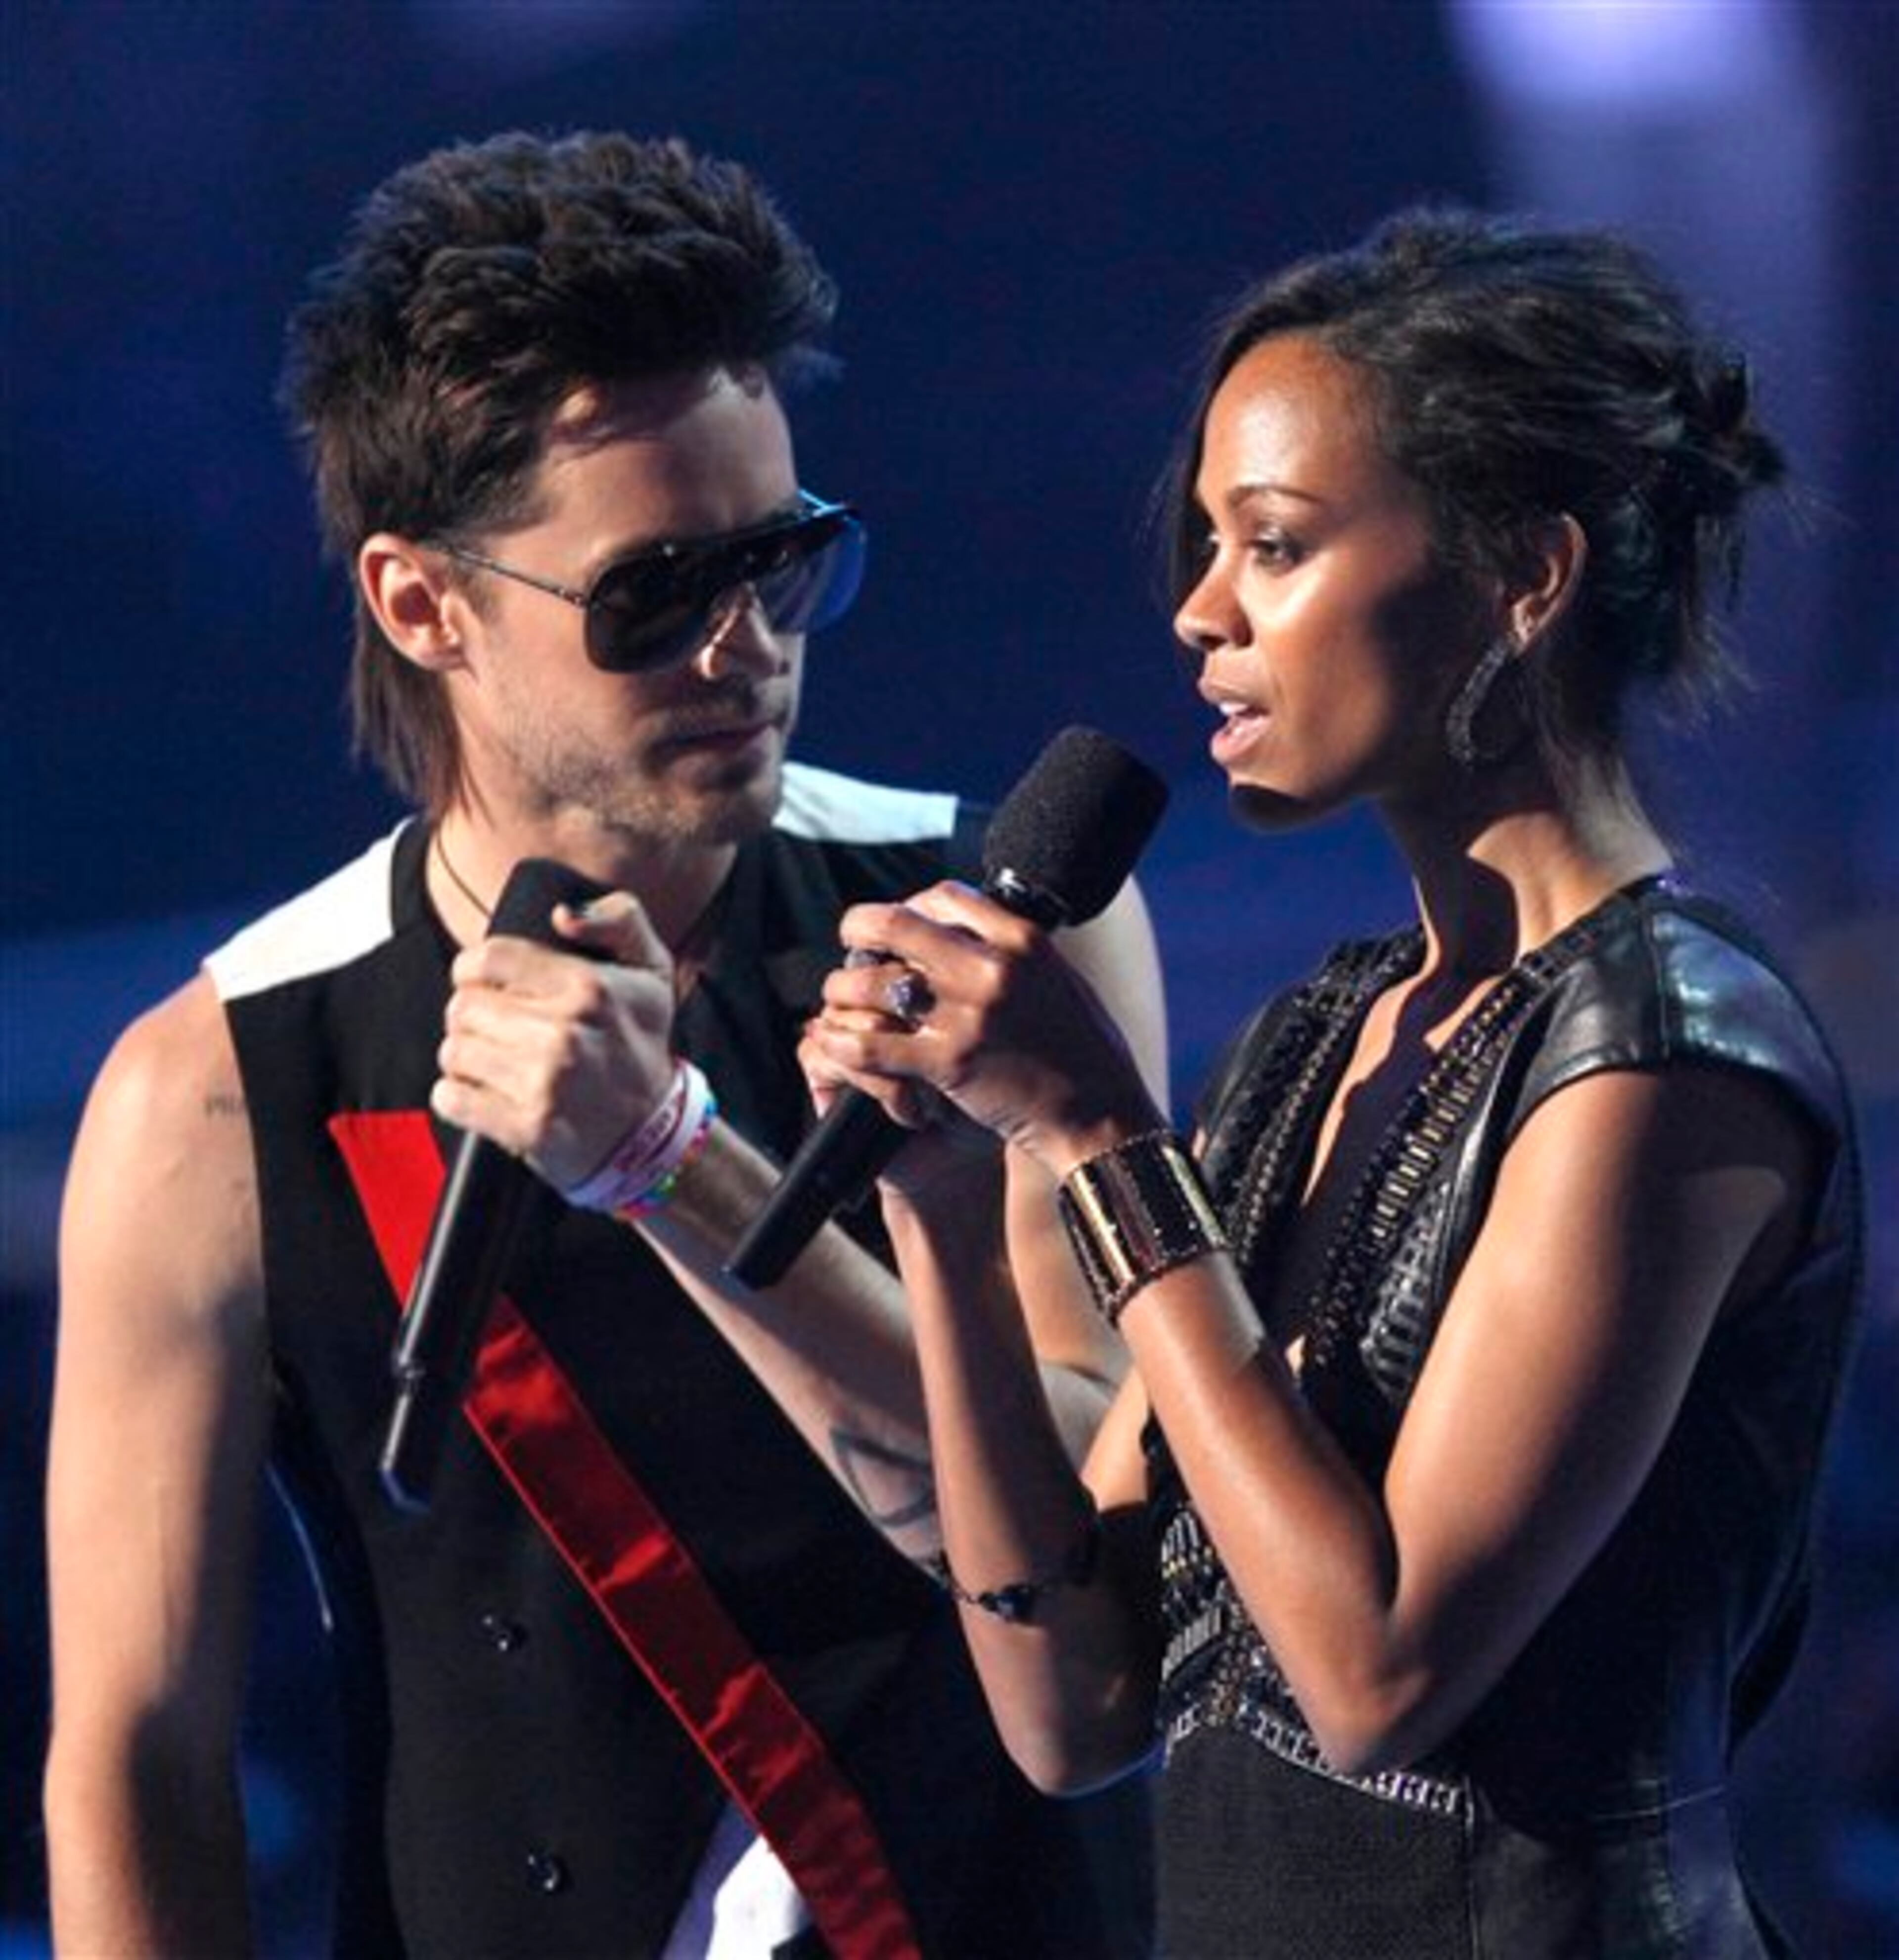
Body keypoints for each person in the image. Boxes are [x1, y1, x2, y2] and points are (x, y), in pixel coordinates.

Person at [42, 131, 1165, 1959]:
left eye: (785, 563)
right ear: (425, 606)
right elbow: (140, 1751)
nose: (749, 648)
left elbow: (1092, 1545)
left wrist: (669, 1158)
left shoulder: (992, 926)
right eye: (654, 597)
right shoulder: (221, 1083)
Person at [773, 210, 1860, 1955]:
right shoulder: (1313, 1043)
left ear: (1527, 575)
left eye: (1272, 545)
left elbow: (1375, 1670)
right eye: (1208, 544)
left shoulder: (1664, 1063)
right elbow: (1078, 1713)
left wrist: (1098, 1139)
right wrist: (953, 1223)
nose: (1200, 611)